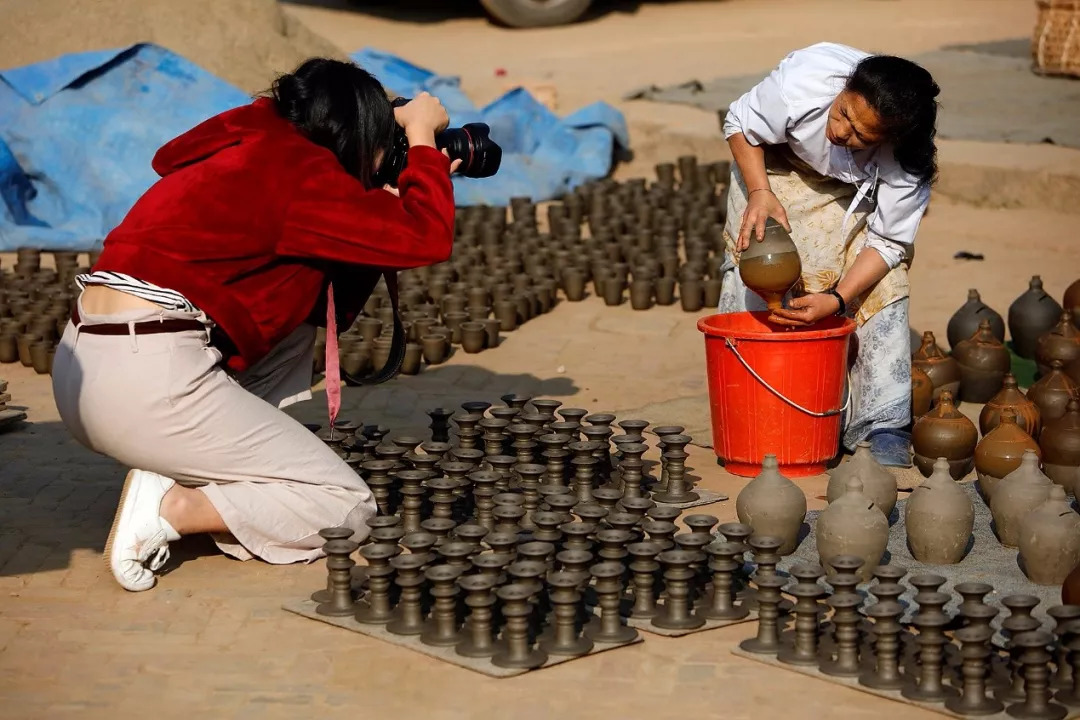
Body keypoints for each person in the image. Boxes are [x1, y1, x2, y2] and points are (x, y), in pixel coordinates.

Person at [51, 58, 459, 592]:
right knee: (346, 507)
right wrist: (423, 140)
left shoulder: (246, 150)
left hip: (85, 373)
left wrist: (376, 200)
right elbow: (426, 236)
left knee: (294, 335)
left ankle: (219, 469)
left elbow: (311, 293)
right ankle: (175, 505)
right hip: (146, 387)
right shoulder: (301, 174)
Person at [718, 42, 940, 467]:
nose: (840, 132)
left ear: (890, 140)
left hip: (849, 192)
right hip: (773, 173)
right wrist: (760, 192)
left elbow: (889, 242)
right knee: (760, 266)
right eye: (842, 113)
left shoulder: (906, 163)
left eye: (861, 135)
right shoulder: (806, 81)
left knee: (884, 286)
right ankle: (754, 403)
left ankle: (883, 423)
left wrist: (838, 298)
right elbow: (740, 124)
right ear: (843, 88)